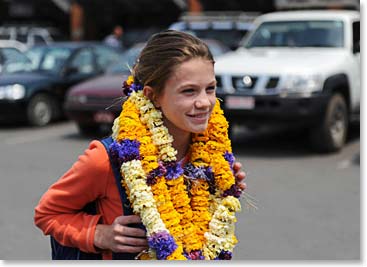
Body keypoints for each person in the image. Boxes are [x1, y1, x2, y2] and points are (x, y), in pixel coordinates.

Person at [34, 30, 247, 260]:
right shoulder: (106, 159)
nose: (204, 102)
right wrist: (98, 234)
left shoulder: (211, 153)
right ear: (152, 95)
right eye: (189, 91)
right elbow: (48, 213)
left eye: (210, 88)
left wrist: (225, 190)